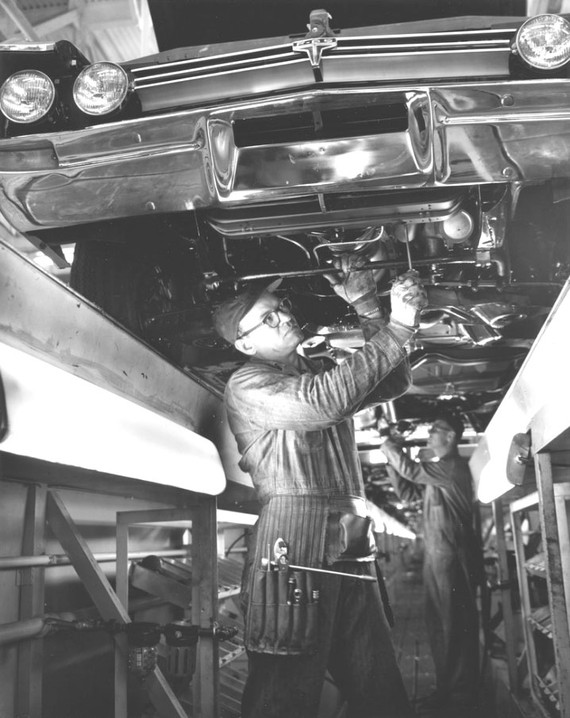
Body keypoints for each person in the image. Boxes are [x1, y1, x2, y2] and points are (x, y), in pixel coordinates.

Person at [212, 253, 427, 718]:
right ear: (246, 345)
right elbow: (323, 404)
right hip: (294, 542)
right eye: (267, 318)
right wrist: (399, 327)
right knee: (284, 692)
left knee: (379, 682)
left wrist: (371, 309)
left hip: (349, 541)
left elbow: (394, 382)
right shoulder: (248, 384)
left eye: (280, 306)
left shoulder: (314, 368)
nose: (284, 316)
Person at [381, 413, 482, 713]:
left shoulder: (451, 468)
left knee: (453, 627)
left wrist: (391, 443)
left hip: (452, 558)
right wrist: (391, 462)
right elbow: (409, 492)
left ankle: (460, 697)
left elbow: (412, 470)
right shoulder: (439, 475)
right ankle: (448, 689)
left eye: (436, 429)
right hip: (438, 559)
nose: (431, 433)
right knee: (439, 626)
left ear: (450, 437)